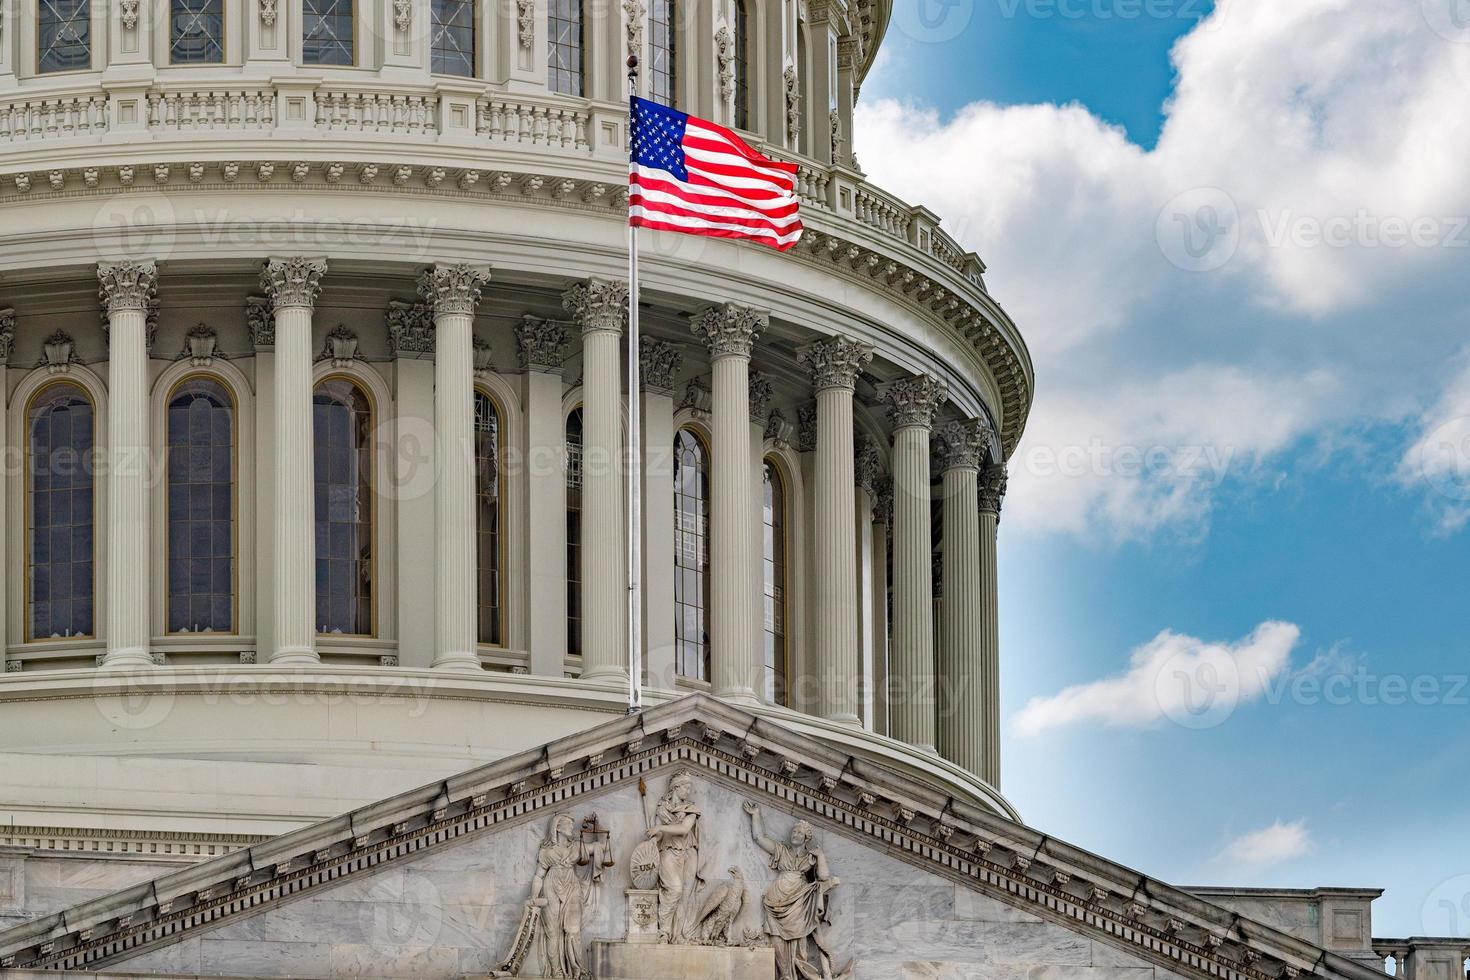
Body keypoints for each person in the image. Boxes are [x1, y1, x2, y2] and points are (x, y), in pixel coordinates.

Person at [743, 802, 842, 980]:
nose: (795, 834)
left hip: (800, 900)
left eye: (799, 833)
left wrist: (820, 856)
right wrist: (755, 814)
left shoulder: (810, 857)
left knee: (800, 940)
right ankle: (785, 974)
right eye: (794, 832)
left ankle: (800, 972)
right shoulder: (781, 851)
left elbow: (824, 876)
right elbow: (759, 838)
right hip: (776, 900)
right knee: (775, 937)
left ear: (806, 838)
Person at [526, 812, 601, 978]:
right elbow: (538, 875)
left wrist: (598, 828)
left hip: (572, 887)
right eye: (568, 823)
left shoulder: (575, 847)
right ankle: (557, 971)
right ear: (557, 827)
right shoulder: (547, 851)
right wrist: (533, 896)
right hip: (551, 887)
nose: (571, 827)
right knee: (552, 932)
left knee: (573, 930)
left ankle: (577, 968)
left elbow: (599, 847)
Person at [645, 769, 702, 942]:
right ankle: (664, 932)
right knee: (674, 889)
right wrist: (652, 841)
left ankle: (678, 935)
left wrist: (660, 828)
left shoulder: (691, 809)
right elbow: (659, 834)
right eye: (686, 787)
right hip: (668, 851)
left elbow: (684, 829)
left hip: (688, 853)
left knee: (685, 895)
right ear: (676, 787)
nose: (689, 791)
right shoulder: (662, 808)